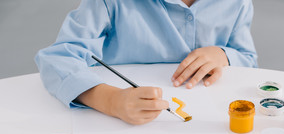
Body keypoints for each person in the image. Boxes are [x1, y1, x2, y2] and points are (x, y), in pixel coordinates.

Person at [35, 0, 258, 125]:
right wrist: (110, 100)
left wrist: (223, 55)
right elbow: (58, 58)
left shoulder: (237, 4)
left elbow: (248, 60)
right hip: (114, 129)